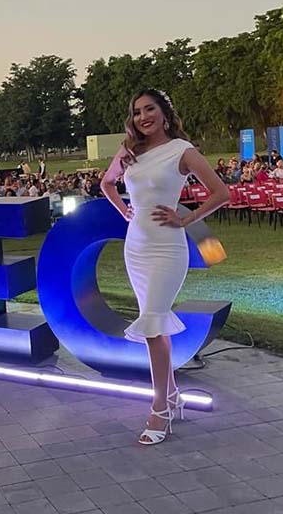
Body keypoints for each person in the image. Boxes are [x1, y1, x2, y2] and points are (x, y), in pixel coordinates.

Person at [101, 89, 228, 446]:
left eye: (150, 109)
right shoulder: (129, 151)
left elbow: (221, 193)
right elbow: (106, 183)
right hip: (136, 246)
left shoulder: (182, 151)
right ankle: (171, 398)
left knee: (154, 325)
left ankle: (159, 406)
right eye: (137, 111)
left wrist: (187, 220)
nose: (143, 116)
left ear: (165, 112)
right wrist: (124, 210)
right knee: (154, 323)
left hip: (168, 248)